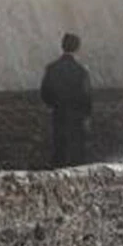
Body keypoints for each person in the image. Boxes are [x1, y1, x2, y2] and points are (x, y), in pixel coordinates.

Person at [40, 33, 92, 168]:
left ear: (62, 46)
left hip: (59, 113)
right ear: (78, 48)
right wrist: (86, 115)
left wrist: (54, 104)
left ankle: (58, 172)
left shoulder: (52, 68)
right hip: (77, 115)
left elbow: (45, 92)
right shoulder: (81, 71)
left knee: (59, 146)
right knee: (77, 148)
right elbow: (86, 95)